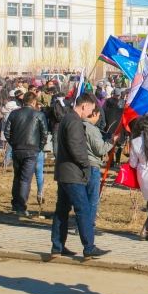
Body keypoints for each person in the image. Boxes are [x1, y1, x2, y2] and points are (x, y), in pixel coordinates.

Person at [51, 93, 109, 259]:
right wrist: (85, 165)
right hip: (73, 173)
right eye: (91, 109)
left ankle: (57, 246)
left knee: (62, 210)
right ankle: (89, 247)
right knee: (83, 209)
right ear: (84, 106)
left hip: (64, 171)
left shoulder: (66, 119)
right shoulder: (74, 121)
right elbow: (76, 148)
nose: (90, 113)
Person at [3, 92, 48, 217]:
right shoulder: (39, 114)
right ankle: (21, 206)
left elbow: (7, 132)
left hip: (18, 148)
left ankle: (15, 203)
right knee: (25, 179)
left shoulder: (14, 113)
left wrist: (14, 143)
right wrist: (39, 147)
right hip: (32, 149)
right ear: (33, 102)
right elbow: (44, 133)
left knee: (17, 176)